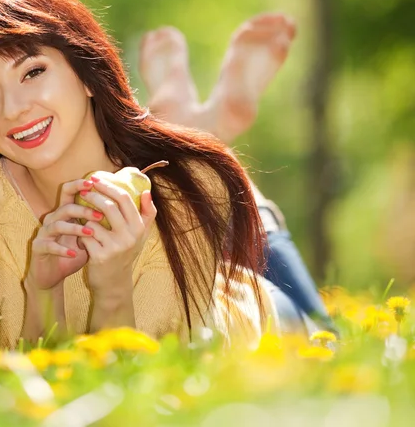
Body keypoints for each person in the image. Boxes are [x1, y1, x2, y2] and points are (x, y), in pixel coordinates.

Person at [0, 0, 282, 351]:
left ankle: (195, 124)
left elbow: (151, 379)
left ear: (88, 75)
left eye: (33, 71)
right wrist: (43, 289)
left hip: (255, 305)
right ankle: (180, 115)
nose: (13, 110)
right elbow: (18, 384)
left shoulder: (190, 185)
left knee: (274, 255)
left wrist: (112, 287)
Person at [139, 20, 337, 335]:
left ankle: (192, 135)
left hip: (202, 277)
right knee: (325, 339)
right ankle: (200, 138)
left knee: (322, 337)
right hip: (230, 258)